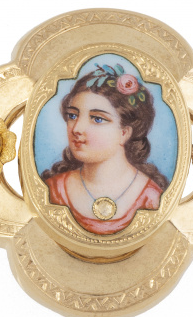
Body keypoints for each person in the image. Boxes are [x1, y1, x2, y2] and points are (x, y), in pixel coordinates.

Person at [41, 63, 169, 235]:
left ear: (124, 133)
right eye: (72, 115)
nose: (77, 128)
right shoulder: (53, 189)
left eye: (97, 119)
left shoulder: (151, 198)